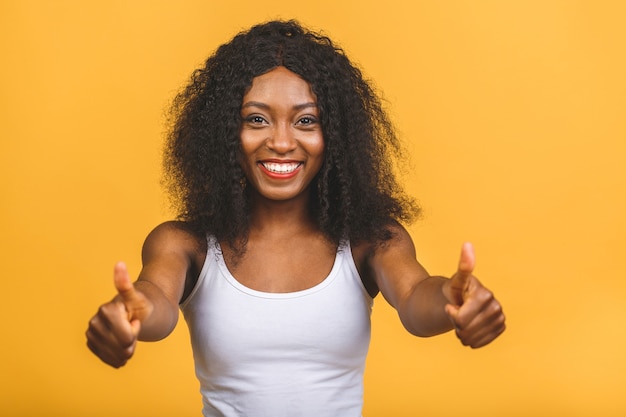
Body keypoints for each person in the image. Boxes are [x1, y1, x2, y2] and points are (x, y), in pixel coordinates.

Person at [86, 20, 506, 417]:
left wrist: (453, 299)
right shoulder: (184, 243)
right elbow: (156, 303)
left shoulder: (370, 240)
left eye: (306, 120)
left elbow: (416, 297)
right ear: (223, 133)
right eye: (256, 119)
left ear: (336, 136)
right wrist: (132, 314)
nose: (282, 142)